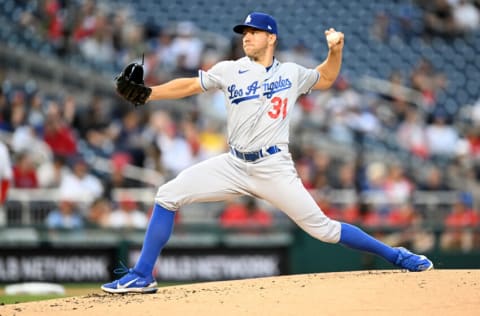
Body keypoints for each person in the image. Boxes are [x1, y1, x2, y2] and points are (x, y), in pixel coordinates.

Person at [102, 12, 433, 294]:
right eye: (244, 32)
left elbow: (328, 77)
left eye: (253, 32)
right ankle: (143, 275)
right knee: (167, 194)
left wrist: (336, 51)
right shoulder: (230, 69)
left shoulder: (291, 73)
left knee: (324, 230)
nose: (246, 37)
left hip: (273, 166)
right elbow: (189, 85)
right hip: (234, 163)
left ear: (270, 37)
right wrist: (149, 94)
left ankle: (397, 256)